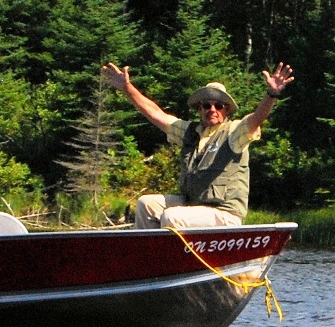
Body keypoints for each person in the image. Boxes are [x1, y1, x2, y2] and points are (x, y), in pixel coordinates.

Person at [102, 61, 295, 229]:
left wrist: (271, 94)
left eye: (218, 105)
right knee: (146, 203)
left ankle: (177, 261)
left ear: (226, 110)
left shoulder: (234, 132)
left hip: (225, 214)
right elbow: (155, 113)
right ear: (199, 109)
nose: (212, 109)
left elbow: (256, 118)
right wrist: (127, 88)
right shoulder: (189, 132)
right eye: (206, 105)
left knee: (172, 216)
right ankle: (149, 260)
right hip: (193, 207)